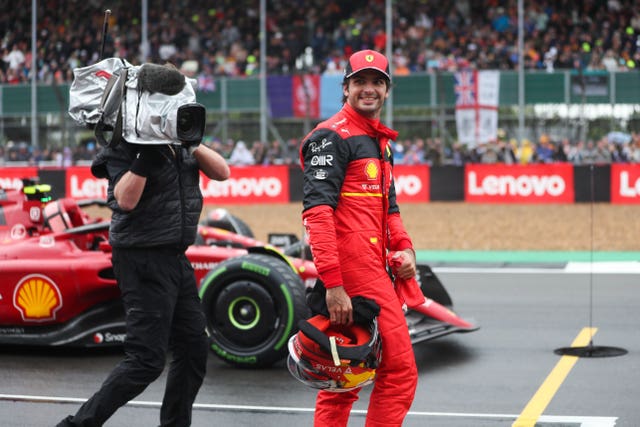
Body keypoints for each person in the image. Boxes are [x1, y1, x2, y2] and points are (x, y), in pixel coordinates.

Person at [57, 135, 230, 426]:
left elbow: (222, 172)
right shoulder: (122, 145)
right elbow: (126, 200)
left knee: (193, 350)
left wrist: (190, 142)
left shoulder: (181, 144)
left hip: (175, 254)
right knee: (146, 361)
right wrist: (145, 156)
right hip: (140, 257)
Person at [299, 49, 418, 427]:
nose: (369, 89)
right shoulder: (330, 136)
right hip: (353, 271)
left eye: (377, 82)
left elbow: (391, 209)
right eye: (360, 82)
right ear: (346, 88)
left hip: (374, 267)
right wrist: (333, 284)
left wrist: (405, 248)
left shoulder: (380, 142)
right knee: (399, 372)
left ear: (387, 89)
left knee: (343, 375)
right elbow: (317, 214)